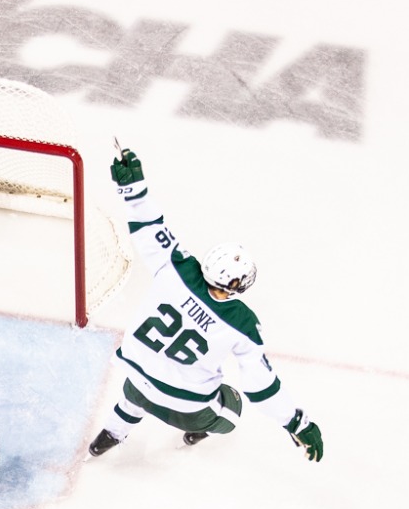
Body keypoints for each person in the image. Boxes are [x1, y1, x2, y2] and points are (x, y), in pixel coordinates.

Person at [87, 146, 324, 462]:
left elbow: (150, 229)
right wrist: (297, 422)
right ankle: (197, 432)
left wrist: (133, 189)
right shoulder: (243, 322)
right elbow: (261, 387)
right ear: (239, 285)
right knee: (233, 409)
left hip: (138, 380)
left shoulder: (178, 268)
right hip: (189, 408)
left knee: (136, 393)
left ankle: (108, 436)